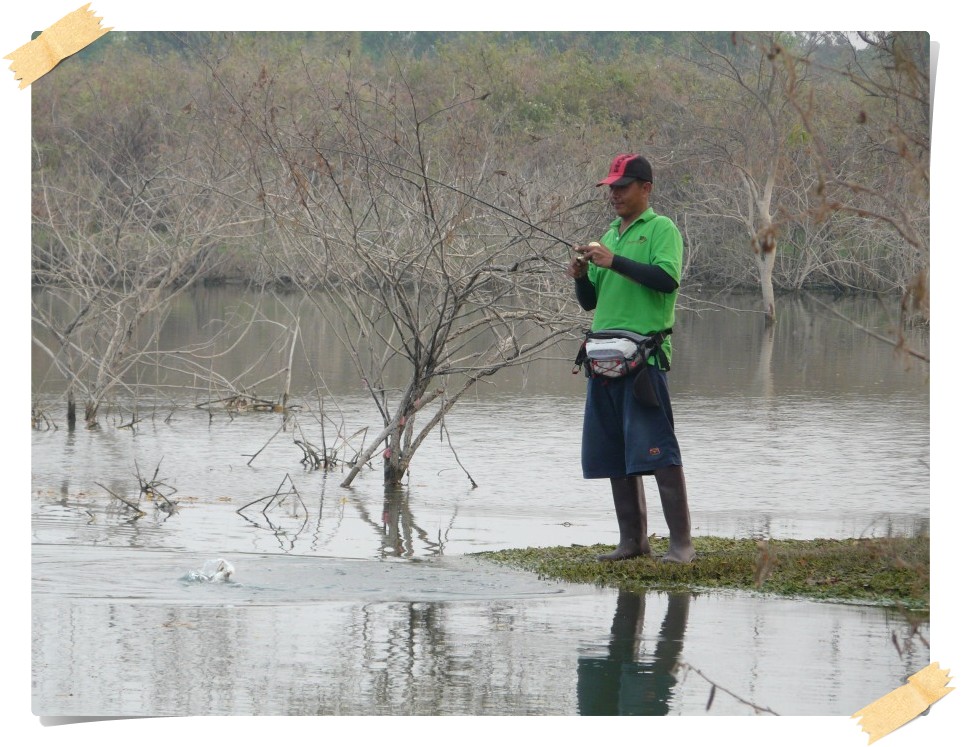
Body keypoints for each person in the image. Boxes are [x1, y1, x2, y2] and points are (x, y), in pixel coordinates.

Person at [566, 153, 695, 563]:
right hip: (604, 359)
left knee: (659, 452)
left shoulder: (662, 229)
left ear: (646, 188)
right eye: (611, 188)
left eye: (622, 187)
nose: (615, 195)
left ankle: (681, 546)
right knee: (616, 453)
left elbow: (666, 279)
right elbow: (591, 304)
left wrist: (614, 260)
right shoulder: (609, 235)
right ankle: (632, 542)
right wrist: (583, 276)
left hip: (645, 359)